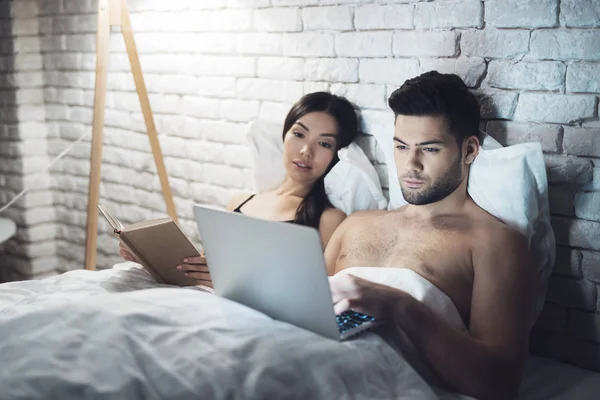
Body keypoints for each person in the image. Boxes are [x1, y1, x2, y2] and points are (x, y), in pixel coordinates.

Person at [325, 72, 535, 400]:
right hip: (309, 356)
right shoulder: (355, 224)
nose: (411, 165)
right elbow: (305, 309)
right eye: (401, 147)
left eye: (430, 149)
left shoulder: (493, 243)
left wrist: (399, 306)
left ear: (468, 150)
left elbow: (499, 383)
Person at [121, 92, 359, 287]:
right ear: (284, 136)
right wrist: (151, 260)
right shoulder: (240, 202)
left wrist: (231, 281)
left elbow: (316, 293)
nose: (306, 150)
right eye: (298, 134)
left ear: (337, 155)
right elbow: (206, 270)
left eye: (324, 143)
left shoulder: (328, 219)